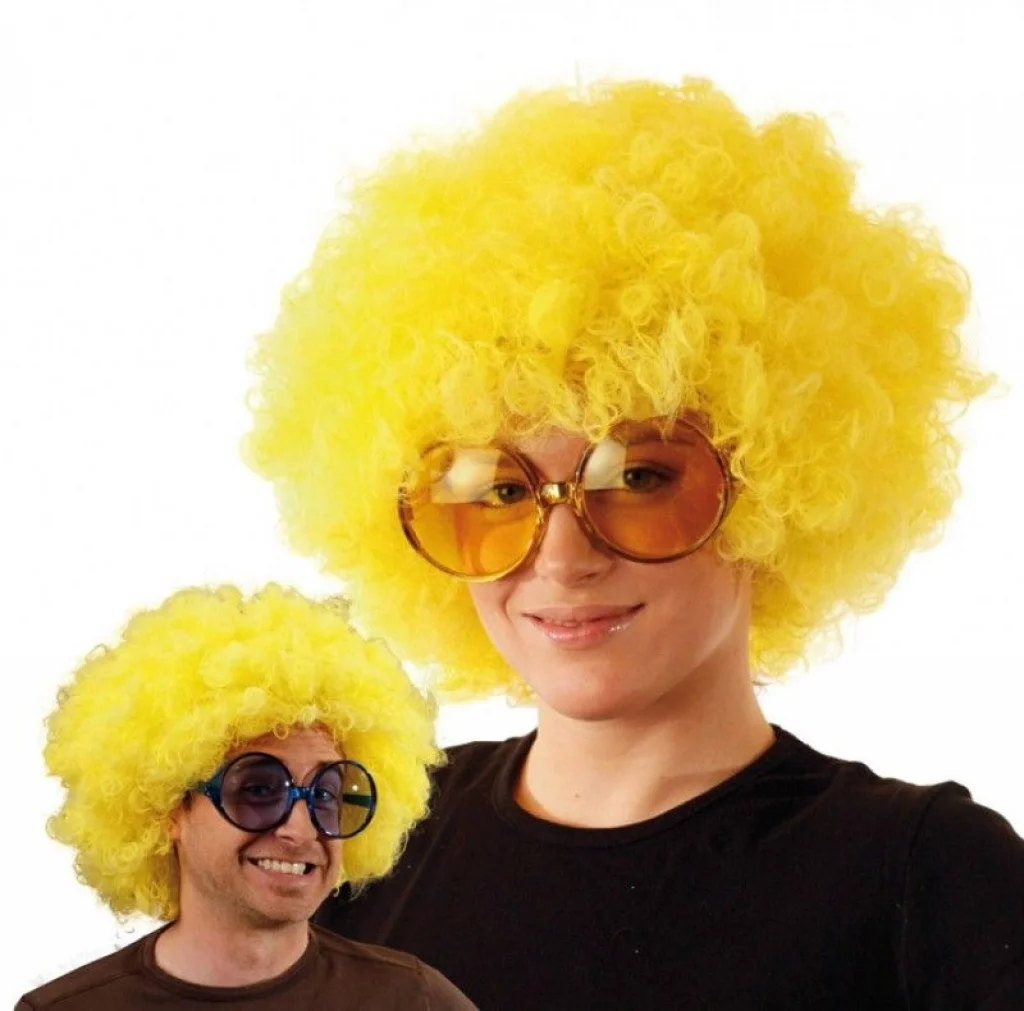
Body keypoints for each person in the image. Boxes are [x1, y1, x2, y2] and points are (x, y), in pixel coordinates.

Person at [245, 79, 1024, 1009]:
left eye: (640, 476)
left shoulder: (929, 880)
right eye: (499, 490)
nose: (561, 556)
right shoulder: (359, 843)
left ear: (774, 487)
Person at [17, 585, 477, 1010]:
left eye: (325, 793)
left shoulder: (414, 1000)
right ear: (169, 808)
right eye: (258, 790)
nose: (300, 831)